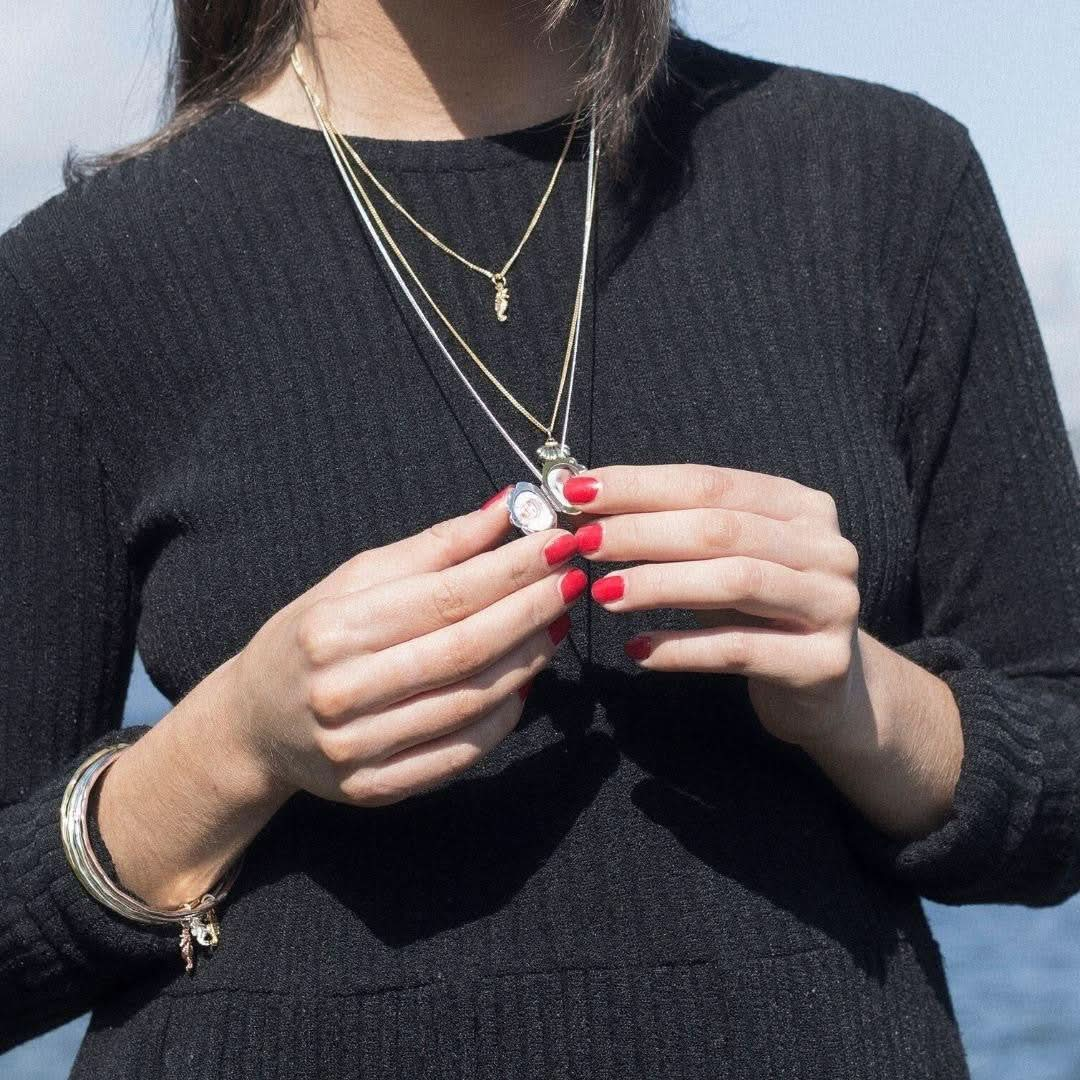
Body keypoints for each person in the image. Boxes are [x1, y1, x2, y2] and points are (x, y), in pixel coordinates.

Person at [2, 1, 1078, 1076]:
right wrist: (238, 742)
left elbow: (1060, 772)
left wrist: (861, 701)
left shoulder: (887, 181)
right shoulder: (74, 280)